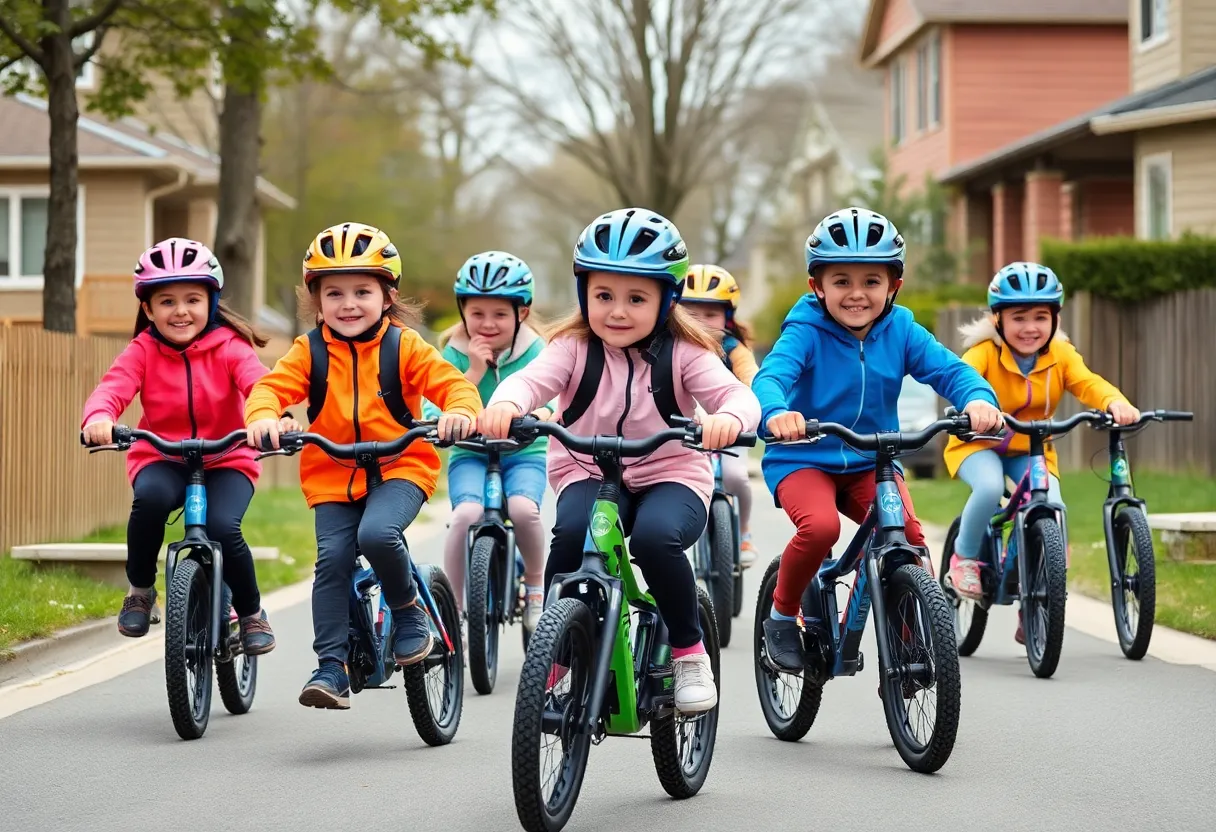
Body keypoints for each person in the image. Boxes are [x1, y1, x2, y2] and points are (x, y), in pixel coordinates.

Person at [478, 208, 761, 713]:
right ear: (585, 293)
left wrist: (730, 419)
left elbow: (736, 396)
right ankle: (561, 647)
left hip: (671, 474)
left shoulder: (687, 353)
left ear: (667, 300)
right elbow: (530, 381)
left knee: (655, 540)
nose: (617, 311)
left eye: (636, 299)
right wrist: (506, 403)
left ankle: (688, 651)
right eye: (604, 295)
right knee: (570, 536)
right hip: (587, 469)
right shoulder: (572, 347)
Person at [753, 206, 1002, 673]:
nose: (856, 294)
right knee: (821, 528)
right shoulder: (805, 329)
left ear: (893, 286)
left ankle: (911, 639)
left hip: (872, 460)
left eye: (871, 281)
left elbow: (951, 370)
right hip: (804, 457)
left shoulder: (901, 329)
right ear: (817, 286)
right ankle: (782, 614)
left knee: (906, 538)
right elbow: (773, 376)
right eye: (841, 281)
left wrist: (977, 399)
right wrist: (777, 412)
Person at [244, 222, 482, 710]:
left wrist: (460, 412)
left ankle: (409, 612)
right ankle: (331, 665)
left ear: (387, 296)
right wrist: (265, 415)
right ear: (316, 299)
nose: (348, 304)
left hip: (401, 466)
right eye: (334, 293)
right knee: (331, 562)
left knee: (377, 535)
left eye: (361, 291)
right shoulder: (308, 351)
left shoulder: (405, 346)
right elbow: (269, 389)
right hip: (332, 475)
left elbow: (453, 385)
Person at [81, 238, 275, 654]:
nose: (181, 311)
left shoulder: (230, 347)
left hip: (228, 455)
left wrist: (266, 417)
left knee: (224, 527)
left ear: (212, 301)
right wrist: (99, 419)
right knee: (149, 500)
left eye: (192, 299)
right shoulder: (143, 351)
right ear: (148, 309)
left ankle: (252, 612)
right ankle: (140, 590)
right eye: (166, 301)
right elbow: (112, 389)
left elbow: (260, 385)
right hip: (162, 454)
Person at [943, 261, 1139, 642]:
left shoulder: (1061, 356)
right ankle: (963, 558)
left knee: (1053, 504)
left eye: (1040, 317)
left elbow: (1089, 383)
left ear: (1055, 319)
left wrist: (1115, 401)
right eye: (1018, 317)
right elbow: (959, 379)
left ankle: (1035, 593)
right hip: (978, 445)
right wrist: (972, 408)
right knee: (985, 489)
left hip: (1030, 450)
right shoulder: (985, 353)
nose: (1030, 327)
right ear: (998, 320)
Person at [433, 251, 553, 637]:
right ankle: (452, 609)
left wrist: (545, 415)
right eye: (477, 313)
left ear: (522, 313)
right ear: (462, 311)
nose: (487, 324)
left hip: (523, 453)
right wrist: (474, 371)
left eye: (499, 314)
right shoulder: (451, 351)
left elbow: (554, 395)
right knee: (465, 516)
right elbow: (431, 403)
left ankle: (535, 584)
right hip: (471, 453)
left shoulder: (536, 351)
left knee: (523, 510)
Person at [678, 264, 761, 567]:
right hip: (687, 430)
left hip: (732, 426)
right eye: (691, 313)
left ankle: (744, 531)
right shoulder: (672, 348)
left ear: (727, 317)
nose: (701, 322)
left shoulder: (732, 348)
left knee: (736, 476)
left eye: (710, 314)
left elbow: (750, 375)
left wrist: (760, 399)